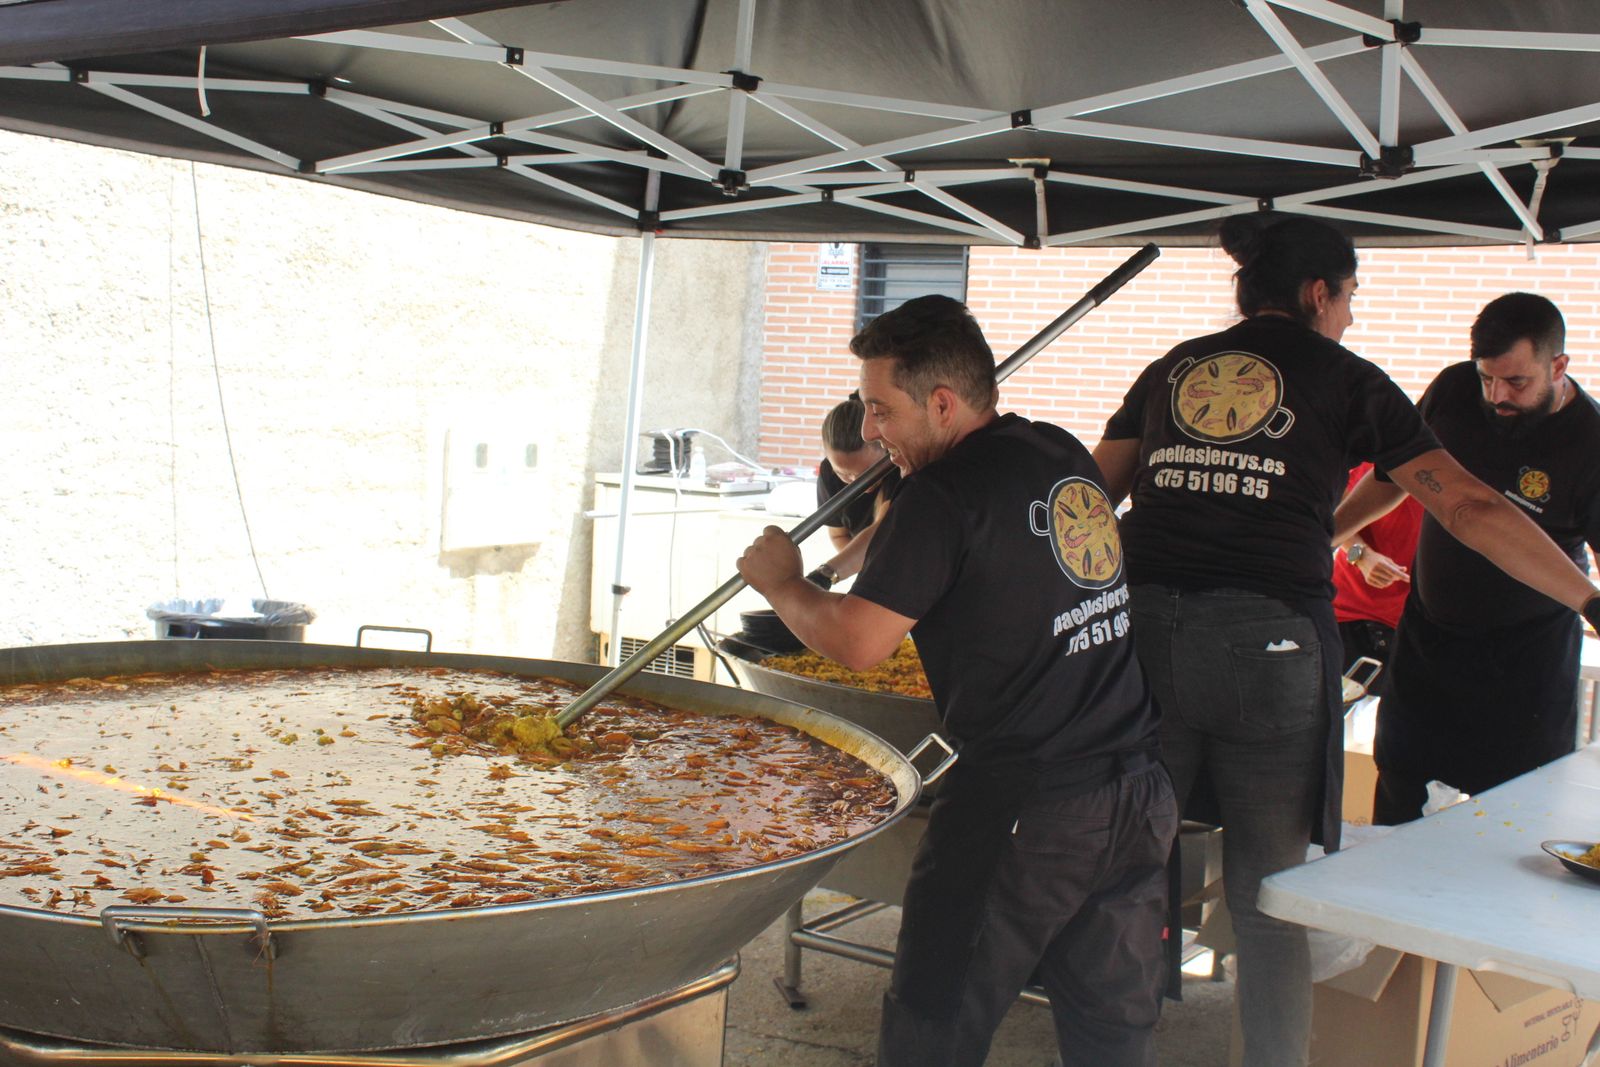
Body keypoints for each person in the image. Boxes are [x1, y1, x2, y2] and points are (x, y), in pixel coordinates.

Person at [1090, 215, 1600, 1067]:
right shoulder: (1350, 378)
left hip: (1146, 638)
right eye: (1352, 297)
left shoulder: (1175, 366)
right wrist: (1590, 598)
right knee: (1266, 894)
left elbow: (1090, 497)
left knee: (1129, 875)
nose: (1353, 317)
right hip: (1268, 652)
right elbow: (1468, 509)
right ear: (1320, 292)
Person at [737, 294, 1177, 1067]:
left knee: (932, 1022)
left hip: (1022, 808)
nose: (871, 429)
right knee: (1112, 1032)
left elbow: (860, 640)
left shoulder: (937, 496)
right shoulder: (1059, 452)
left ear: (941, 403)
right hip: (1137, 793)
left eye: (881, 409)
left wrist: (783, 583)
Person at [1334, 293, 1600, 825]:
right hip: (1429, 639)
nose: (1497, 395)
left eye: (1516, 382)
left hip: (1527, 659)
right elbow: (1392, 480)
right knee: (1397, 787)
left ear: (1559, 366)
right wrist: (1322, 537)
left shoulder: (1589, 441)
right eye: (1487, 377)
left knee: (1510, 815)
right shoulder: (1454, 391)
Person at [1332, 461, 1421, 687]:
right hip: (1349, 615)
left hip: (1415, 625)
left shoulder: (1462, 471)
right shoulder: (1385, 455)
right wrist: (1362, 555)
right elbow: (1337, 506)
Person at [806, 393, 901, 591]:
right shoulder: (828, 474)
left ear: (884, 449)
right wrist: (863, 567)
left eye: (867, 473)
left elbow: (881, 533)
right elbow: (838, 535)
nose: (859, 483)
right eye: (844, 474)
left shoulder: (897, 468)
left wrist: (826, 574)